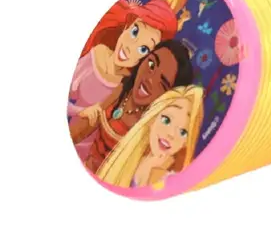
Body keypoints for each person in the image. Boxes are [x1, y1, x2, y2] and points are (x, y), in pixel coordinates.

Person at [69, 40, 193, 173]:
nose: (149, 79)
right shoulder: (124, 89)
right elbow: (87, 124)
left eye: (162, 83)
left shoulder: (155, 128)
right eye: (151, 64)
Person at [68, 0, 184, 127]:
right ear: (127, 26)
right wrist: (80, 112)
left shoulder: (128, 84)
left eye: (143, 49)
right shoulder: (98, 54)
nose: (130, 47)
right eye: (134, 32)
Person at [97, 85, 204, 188]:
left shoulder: (169, 181)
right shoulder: (129, 157)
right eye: (166, 120)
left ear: (186, 142)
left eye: (183, 132)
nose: (171, 134)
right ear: (152, 119)